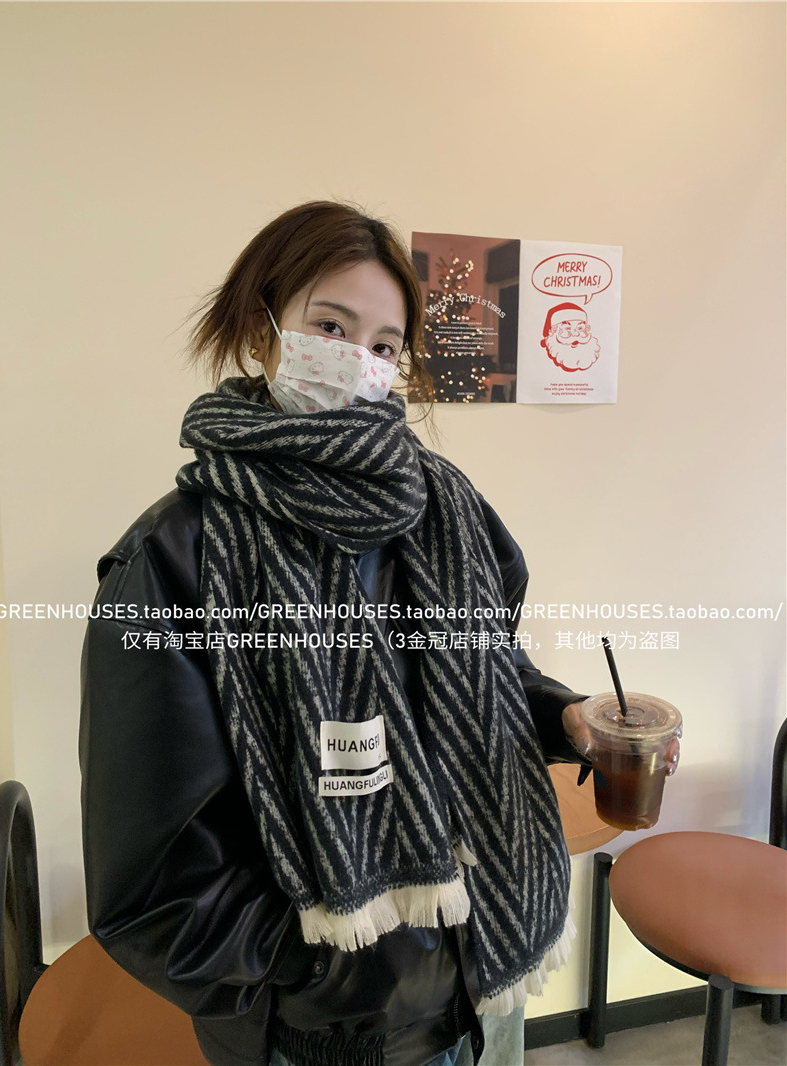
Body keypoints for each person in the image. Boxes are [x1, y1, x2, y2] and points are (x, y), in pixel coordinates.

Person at [79, 201, 676, 1066]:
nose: (360, 360)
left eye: (386, 344)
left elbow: (486, 670)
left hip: (491, 967)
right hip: (331, 1033)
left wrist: (565, 716)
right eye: (331, 326)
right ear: (260, 327)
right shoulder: (177, 556)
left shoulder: (445, 506)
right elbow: (151, 887)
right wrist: (330, 976)